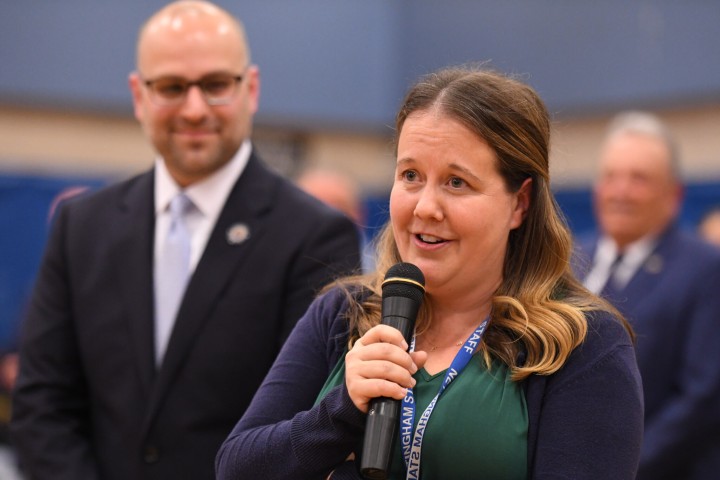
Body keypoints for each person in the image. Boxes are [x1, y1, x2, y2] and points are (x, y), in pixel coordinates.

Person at [216, 66, 644, 479]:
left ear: (520, 203)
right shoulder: (342, 312)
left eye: (457, 182)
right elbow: (236, 467)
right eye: (411, 176)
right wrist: (339, 413)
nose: (424, 207)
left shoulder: (584, 344)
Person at [10, 2, 361, 479]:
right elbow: (41, 403)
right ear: (139, 95)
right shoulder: (82, 226)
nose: (194, 109)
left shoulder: (314, 235)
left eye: (216, 85)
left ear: (250, 89)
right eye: (172, 87)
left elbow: (302, 426)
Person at [575, 111, 720, 479]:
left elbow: (702, 396)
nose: (620, 192)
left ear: (674, 194)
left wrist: (620, 468)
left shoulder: (705, 268)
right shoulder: (568, 260)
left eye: (638, 179)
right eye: (611, 177)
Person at [296, 167, 375, 272]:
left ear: (360, 213)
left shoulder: (383, 268)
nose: (328, 221)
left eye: (339, 208)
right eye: (315, 210)